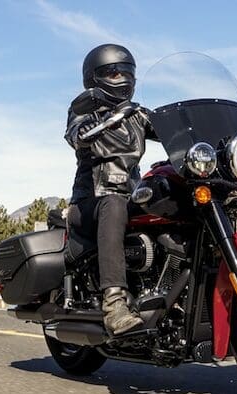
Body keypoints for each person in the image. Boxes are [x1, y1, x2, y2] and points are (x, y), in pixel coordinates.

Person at [64, 44, 156, 336]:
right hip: (90, 205)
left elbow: (174, 129)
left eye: (127, 72)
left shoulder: (138, 115)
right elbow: (76, 134)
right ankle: (114, 303)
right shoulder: (84, 111)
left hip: (129, 200)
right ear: (95, 77)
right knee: (114, 202)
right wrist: (90, 129)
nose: (122, 77)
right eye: (114, 72)